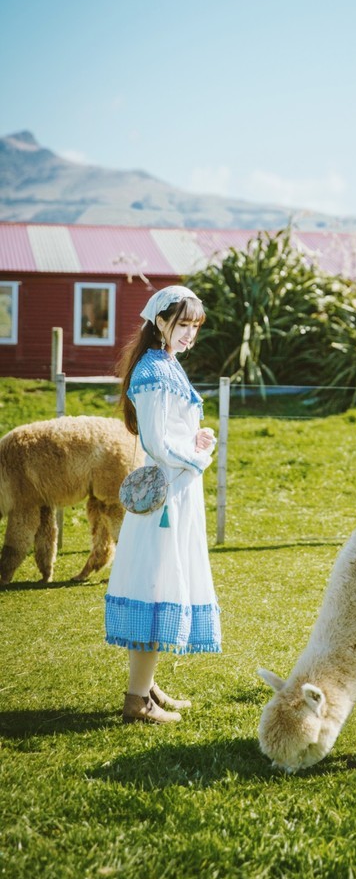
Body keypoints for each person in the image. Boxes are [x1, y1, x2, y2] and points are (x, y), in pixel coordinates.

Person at [104, 285, 221, 724]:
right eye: (182, 323)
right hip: (166, 497)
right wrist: (196, 456)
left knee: (162, 578)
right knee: (157, 582)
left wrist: (195, 439)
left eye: (194, 326)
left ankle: (146, 685)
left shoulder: (165, 364)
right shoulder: (153, 370)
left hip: (177, 487)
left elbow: (169, 432)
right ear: (159, 321)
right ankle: (137, 700)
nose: (189, 333)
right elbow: (154, 439)